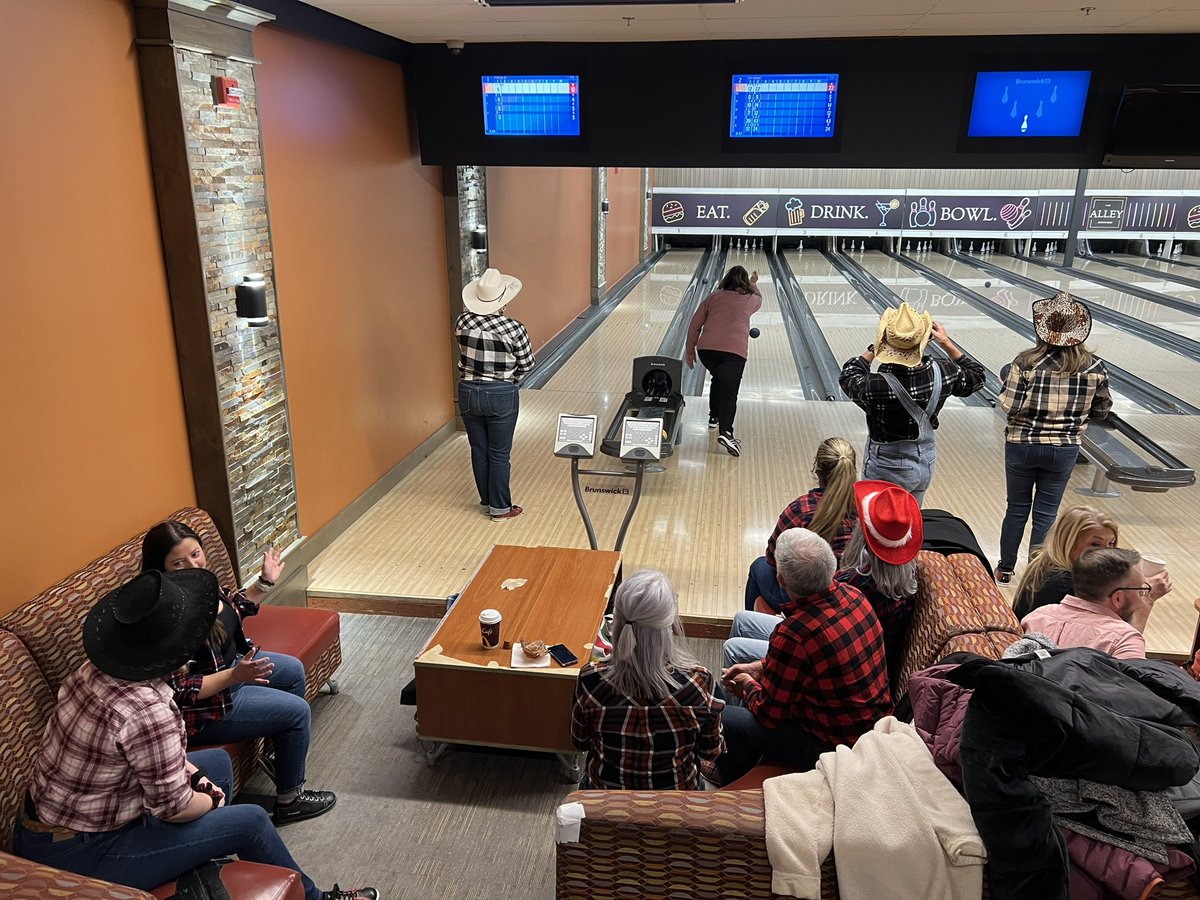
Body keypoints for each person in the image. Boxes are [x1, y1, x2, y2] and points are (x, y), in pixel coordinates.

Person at [14, 569, 377, 900]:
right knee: (249, 821)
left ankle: (203, 858)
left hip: (63, 821)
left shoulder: (93, 671)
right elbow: (175, 808)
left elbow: (155, 770)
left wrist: (199, 785)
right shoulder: (149, 711)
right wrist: (212, 800)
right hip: (82, 853)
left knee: (216, 763)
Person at [142, 520, 336, 826]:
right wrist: (234, 677)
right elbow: (179, 690)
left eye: (195, 554)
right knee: (297, 712)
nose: (192, 565)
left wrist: (265, 582)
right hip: (205, 709)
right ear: (160, 569)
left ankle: (280, 754)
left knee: (292, 672)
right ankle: (290, 799)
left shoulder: (201, 583)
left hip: (232, 672)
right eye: (178, 562)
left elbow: (231, 609)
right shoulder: (167, 615)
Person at [717, 528, 890, 784]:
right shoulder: (855, 596)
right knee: (743, 623)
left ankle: (729, 774)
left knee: (723, 716)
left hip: (831, 747)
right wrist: (760, 667)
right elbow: (815, 663)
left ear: (781, 580)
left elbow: (769, 714)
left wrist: (746, 684)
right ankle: (745, 754)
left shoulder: (794, 634)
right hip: (867, 727)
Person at [727, 481, 921, 690]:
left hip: (826, 663)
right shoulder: (908, 583)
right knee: (742, 621)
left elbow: (810, 631)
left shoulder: (852, 587)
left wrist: (749, 685)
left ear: (862, 538)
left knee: (734, 648)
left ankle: (735, 710)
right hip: (850, 660)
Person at [995, 293, 1112, 584]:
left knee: (1017, 508)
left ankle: (1006, 569)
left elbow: (1009, 406)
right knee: (1046, 514)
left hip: (1022, 445)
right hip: (1064, 448)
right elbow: (1102, 411)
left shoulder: (1025, 362)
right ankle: (1035, 574)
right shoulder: (1095, 367)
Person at [570, 570, 724, 790]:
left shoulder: (591, 680)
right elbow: (711, 751)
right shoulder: (699, 682)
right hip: (675, 805)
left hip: (605, 801)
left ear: (616, 622)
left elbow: (580, 742)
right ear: (670, 625)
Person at [839, 302, 985, 505]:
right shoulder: (944, 372)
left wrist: (876, 346)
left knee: (877, 525)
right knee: (909, 525)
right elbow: (977, 376)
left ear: (885, 342)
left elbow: (849, 374)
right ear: (926, 339)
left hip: (886, 466)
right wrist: (947, 343)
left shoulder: (874, 386)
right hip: (924, 462)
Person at [744, 436, 858, 613]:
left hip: (803, 600)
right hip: (846, 598)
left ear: (816, 469)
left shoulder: (802, 510)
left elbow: (772, 558)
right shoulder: (863, 510)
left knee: (759, 566)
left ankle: (753, 629)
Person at [456, 267, 534, 520]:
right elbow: (527, 364)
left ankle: (487, 501)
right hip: (501, 393)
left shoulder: (462, 322)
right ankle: (500, 508)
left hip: (468, 390)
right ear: (502, 301)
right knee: (499, 453)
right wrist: (512, 376)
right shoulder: (514, 328)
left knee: (479, 449)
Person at [1012, 505, 1171, 619]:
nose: (1106, 552)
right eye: (1095, 544)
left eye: (1111, 544)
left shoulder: (1045, 563)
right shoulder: (1065, 583)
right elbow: (1117, 644)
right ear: (1069, 543)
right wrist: (1146, 597)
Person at [1020, 548, 1158, 659]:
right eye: (1141, 591)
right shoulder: (1124, 640)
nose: (1142, 598)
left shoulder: (1037, 616)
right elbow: (1132, 691)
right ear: (1118, 598)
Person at [684, 265, 762, 457]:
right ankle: (726, 432)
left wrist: (689, 350)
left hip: (707, 352)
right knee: (729, 392)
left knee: (718, 380)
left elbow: (695, 323)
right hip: (733, 353)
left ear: (725, 280)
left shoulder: (713, 297)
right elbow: (760, 299)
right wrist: (753, 284)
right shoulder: (750, 299)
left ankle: (714, 417)